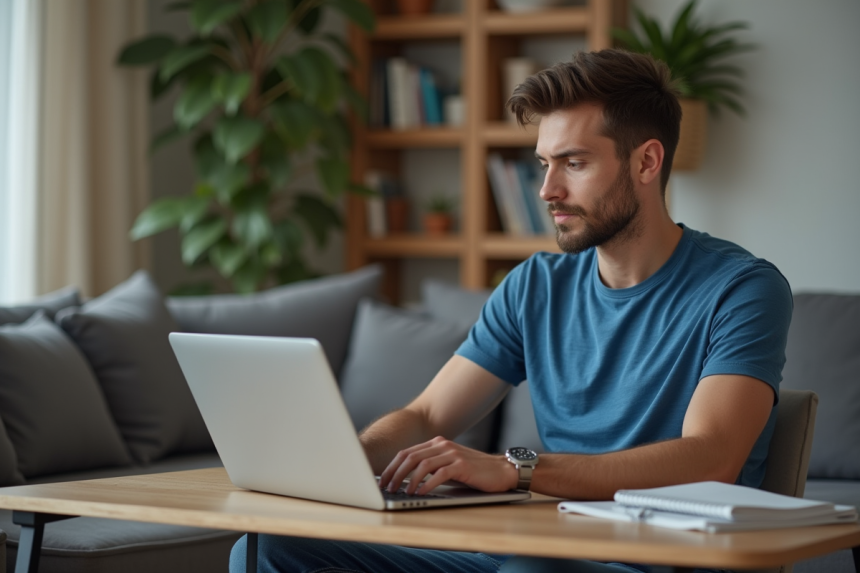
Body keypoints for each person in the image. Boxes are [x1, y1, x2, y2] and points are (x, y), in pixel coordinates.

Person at [229, 49, 793, 573]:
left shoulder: (741, 289)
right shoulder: (535, 286)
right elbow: (427, 415)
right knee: (266, 551)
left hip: (649, 560)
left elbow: (710, 457)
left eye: (573, 163)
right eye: (544, 164)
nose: (547, 190)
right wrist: (339, 463)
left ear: (647, 162)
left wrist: (517, 468)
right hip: (531, 549)